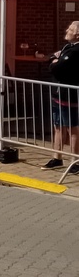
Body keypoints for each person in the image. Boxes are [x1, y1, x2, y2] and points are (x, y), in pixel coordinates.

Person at [44, 20, 79, 172]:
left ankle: (75, 161)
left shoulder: (76, 51)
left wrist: (55, 62)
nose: (67, 31)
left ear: (77, 34)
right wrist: (54, 59)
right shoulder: (67, 47)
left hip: (70, 94)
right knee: (58, 126)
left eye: (70, 29)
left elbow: (58, 68)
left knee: (72, 128)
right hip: (59, 92)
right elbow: (51, 58)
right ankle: (57, 157)